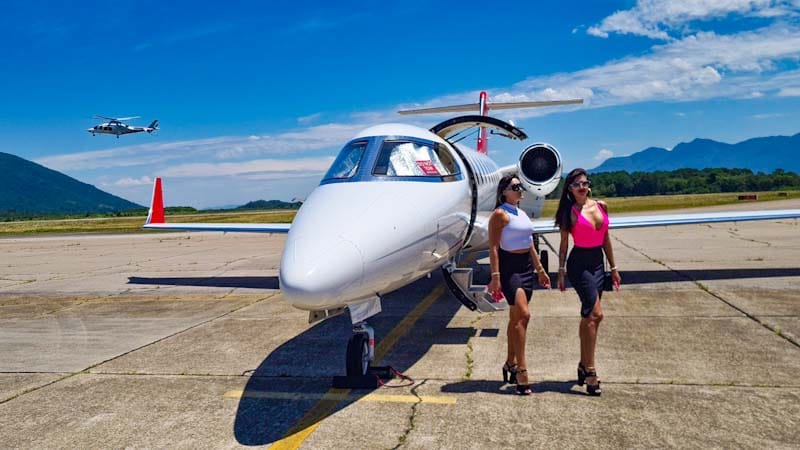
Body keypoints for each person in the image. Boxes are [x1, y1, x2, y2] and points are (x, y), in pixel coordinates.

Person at [555, 168, 621, 396]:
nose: (582, 187)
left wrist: (613, 267)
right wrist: (561, 270)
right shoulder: (569, 212)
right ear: (570, 190)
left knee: (589, 317)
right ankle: (591, 371)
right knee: (597, 313)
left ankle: (583, 364)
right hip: (579, 264)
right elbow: (564, 244)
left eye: (584, 183)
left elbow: (606, 239)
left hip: (597, 263)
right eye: (576, 185)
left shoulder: (601, 206)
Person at [488, 175, 551, 395]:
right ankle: (522, 370)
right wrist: (495, 276)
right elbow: (494, 247)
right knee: (524, 315)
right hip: (509, 268)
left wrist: (540, 270)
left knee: (516, 318)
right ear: (504, 191)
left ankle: (510, 363)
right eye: (515, 187)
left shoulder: (522, 214)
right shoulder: (500, 214)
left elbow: (530, 244)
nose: (520, 189)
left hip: (526, 268)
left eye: (520, 186)